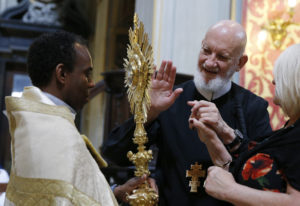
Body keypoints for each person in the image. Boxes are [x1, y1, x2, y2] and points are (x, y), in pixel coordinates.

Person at [102, 20, 272, 205]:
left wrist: (228, 133)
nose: (209, 62)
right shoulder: (170, 99)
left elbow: (265, 177)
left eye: (222, 57)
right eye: (206, 51)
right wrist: (148, 113)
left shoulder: (254, 108)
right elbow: (113, 153)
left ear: (240, 62)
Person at [4, 31, 155, 206]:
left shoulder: (37, 123)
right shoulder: (57, 133)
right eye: (87, 74)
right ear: (62, 74)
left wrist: (115, 192)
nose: (91, 83)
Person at [190, 43, 300, 205]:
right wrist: (212, 138)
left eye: (280, 76)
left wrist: (229, 190)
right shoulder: (292, 126)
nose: (273, 81)